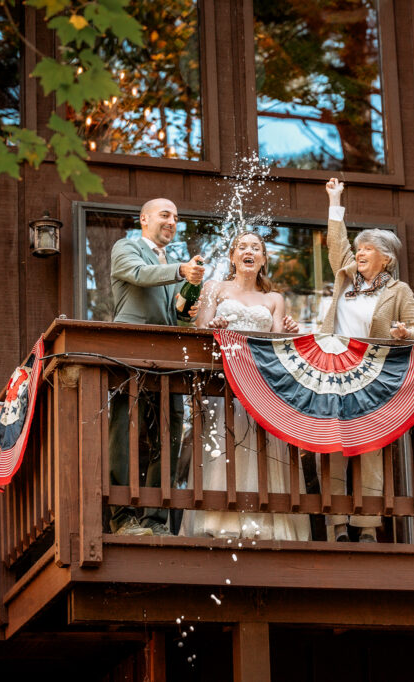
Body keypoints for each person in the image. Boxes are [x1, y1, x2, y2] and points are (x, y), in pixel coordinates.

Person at [179, 231, 309, 541]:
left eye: (256, 248)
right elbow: (201, 327)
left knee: (261, 450)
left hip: (262, 387)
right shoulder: (214, 288)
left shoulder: (274, 299)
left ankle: (266, 525)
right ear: (233, 257)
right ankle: (219, 522)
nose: (248, 251)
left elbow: (277, 343)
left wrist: (290, 330)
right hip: (224, 384)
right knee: (225, 444)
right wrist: (215, 326)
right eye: (242, 247)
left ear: (263, 260)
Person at [321, 177, 414, 542]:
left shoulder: (399, 291)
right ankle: (336, 526)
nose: (359, 252)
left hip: (373, 375)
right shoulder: (345, 276)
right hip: (335, 370)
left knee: (369, 449)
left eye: (367, 248)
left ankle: (366, 527)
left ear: (387, 258)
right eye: (359, 247)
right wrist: (336, 200)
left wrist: (401, 333)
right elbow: (336, 244)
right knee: (334, 446)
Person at [108, 198, 205, 536]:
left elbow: (177, 314)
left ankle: (155, 520)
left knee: (169, 433)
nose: (172, 221)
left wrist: (186, 310)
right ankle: (121, 518)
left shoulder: (171, 264)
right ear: (144, 219)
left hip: (167, 363)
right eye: (165, 215)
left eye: (176, 217)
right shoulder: (127, 247)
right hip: (129, 356)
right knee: (126, 430)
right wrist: (180, 270)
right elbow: (137, 275)